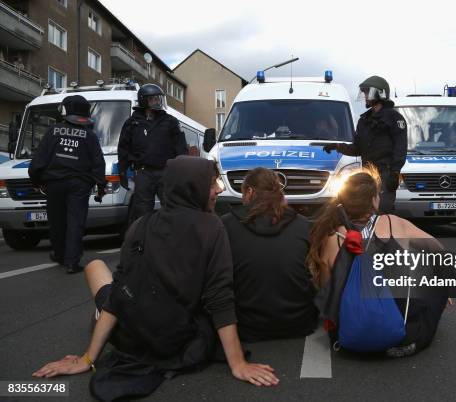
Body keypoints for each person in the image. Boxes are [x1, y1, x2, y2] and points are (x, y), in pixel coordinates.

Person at [32, 157, 279, 398]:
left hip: (133, 332)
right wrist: (237, 363)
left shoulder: (141, 224)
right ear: (193, 188)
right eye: (212, 183)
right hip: (175, 339)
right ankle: (101, 320)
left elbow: (119, 292)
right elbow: (219, 297)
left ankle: (101, 322)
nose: (217, 190)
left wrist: (87, 358)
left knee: (95, 266)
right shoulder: (212, 227)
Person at [307, 169, 451, 357]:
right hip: (400, 326)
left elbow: (328, 289)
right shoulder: (393, 223)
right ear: (374, 200)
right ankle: (408, 340)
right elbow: (438, 250)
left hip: (349, 332)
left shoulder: (332, 237)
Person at [221, 168, 318, 342]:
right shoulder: (302, 224)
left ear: (249, 192)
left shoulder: (227, 224)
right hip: (299, 323)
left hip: (247, 326)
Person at [28, 95, 106, 274]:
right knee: (75, 222)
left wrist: (37, 181)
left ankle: (60, 254)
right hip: (79, 184)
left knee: (57, 222)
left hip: (54, 183)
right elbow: (98, 164)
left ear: (66, 111)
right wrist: (100, 187)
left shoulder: (54, 130)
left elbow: (40, 159)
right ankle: (72, 262)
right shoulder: (90, 135)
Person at [322, 76, 407, 213]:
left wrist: (395, 172)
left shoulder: (394, 118)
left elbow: (400, 148)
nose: (365, 96)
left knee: (382, 211)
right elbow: (358, 148)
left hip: (385, 173)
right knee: (365, 212)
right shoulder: (364, 120)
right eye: (364, 93)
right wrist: (338, 146)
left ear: (379, 93)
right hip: (367, 173)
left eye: (368, 92)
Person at [118, 83, 188, 223]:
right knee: (142, 211)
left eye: (158, 98)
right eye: (153, 99)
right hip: (143, 173)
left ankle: (173, 240)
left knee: (172, 206)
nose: (157, 101)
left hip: (166, 172)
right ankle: (142, 242)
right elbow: (123, 148)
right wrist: (122, 172)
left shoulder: (170, 121)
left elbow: (181, 148)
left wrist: (181, 171)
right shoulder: (132, 123)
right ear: (144, 100)